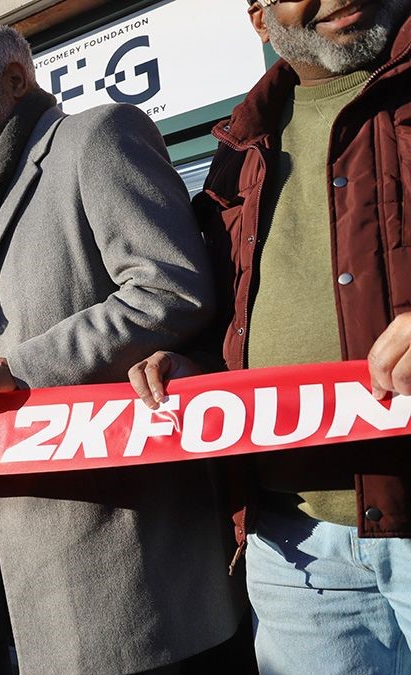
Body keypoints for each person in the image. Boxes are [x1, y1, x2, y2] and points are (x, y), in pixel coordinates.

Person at [0, 25, 243, 675]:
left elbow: (170, 287)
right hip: (31, 550)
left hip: (129, 554)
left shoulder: (98, 136)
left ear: (16, 79)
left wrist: (22, 367)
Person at [129, 2, 411, 672]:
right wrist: (197, 365)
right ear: (261, 19)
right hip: (293, 542)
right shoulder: (235, 152)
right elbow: (231, 314)